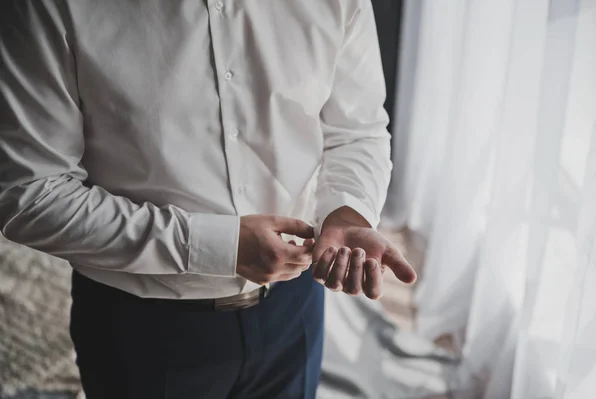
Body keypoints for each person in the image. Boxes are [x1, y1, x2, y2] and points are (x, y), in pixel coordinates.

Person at [0, 1, 417, 398]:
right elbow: (29, 192)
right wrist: (218, 246)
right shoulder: (49, 6)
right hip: (143, 329)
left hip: (296, 306)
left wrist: (346, 212)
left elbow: (357, 130)